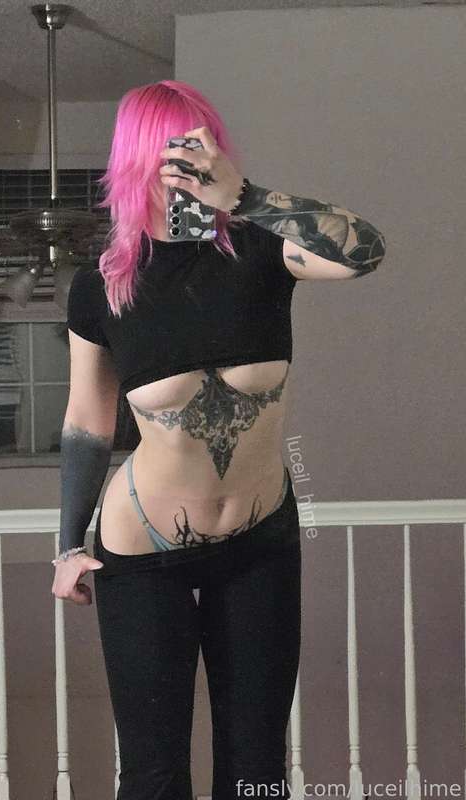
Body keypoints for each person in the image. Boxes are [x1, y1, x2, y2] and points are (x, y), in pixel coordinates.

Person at [51, 80, 386, 800]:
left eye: (202, 145)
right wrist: (67, 543)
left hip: (260, 539)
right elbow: (86, 423)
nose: (189, 163)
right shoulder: (104, 284)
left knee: (257, 771)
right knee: (153, 777)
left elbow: (366, 252)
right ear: (139, 156)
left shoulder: (263, 251)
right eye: (173, 148)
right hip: (142, 550)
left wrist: (250, 198)